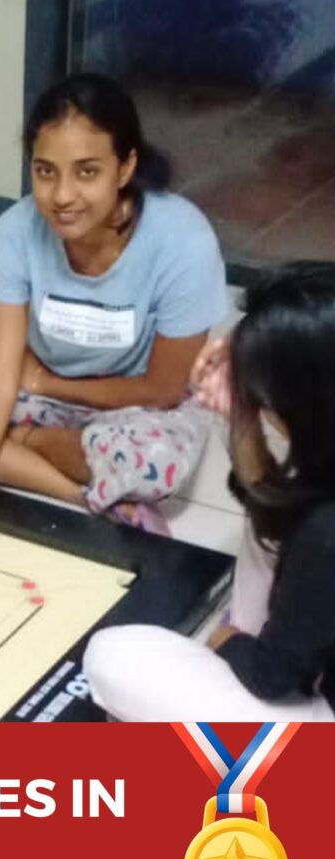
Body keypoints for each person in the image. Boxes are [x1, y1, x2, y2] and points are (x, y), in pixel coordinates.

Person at [0, 73, 229, 539]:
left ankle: (15, 447)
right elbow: (1, 374)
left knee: (154, 465)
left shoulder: (183, 241)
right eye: (45, 171)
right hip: (33, 390)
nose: (61, 196)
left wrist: (46, 389)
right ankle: (81, 494)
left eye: (87, 172)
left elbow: (161, 389)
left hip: (134, 405)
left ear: (124, 168)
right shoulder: (14, 233)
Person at [84, 263, 335, 721]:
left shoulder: (324, 530)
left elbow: (271, 677)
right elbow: (281, 520)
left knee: (110, 655)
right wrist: (242, 412)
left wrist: (224, 641)